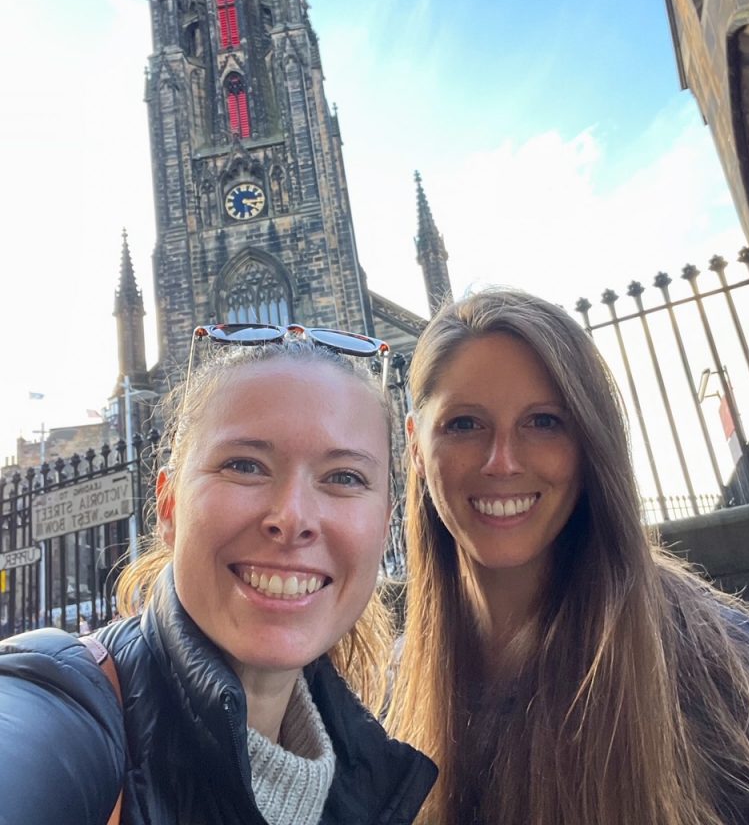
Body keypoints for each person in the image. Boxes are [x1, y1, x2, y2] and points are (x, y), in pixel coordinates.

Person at [0, 325, 436, 825]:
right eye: (245, 465)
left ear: (384, 526)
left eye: (344, 477)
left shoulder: (372, 771)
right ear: (168, 505)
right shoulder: (62, 711)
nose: (291, 518)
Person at [387, 288, 749, 825]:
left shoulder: (724, 672)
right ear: (417, 449)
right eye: (464, 424)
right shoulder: (388, 694)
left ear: (590, 444)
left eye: (543, 421)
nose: (503, 462)